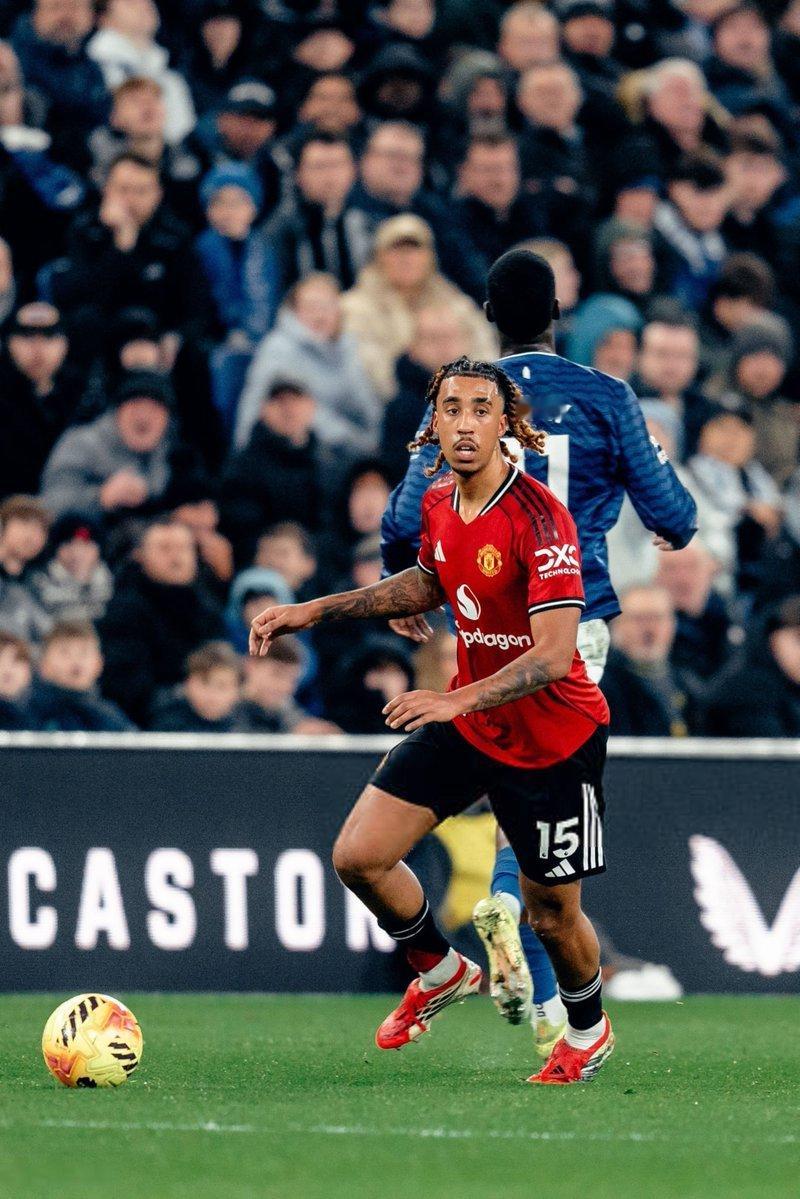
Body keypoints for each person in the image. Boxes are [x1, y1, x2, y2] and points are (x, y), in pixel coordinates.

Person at [250, 356, 615, 1085]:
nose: (466, 423)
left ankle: (588, 1028)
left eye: (482, 409)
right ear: (434, 423)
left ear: (506, 423)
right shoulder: (441, 501)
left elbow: (552, 655)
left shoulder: (542, 519)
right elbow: (428, 580)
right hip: (474, 724)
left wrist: (452, 700)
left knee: (551, 914)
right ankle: (441, 969)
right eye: (452, 408)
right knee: (359, 855)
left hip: (554, 739)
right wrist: (313, 611)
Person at [381, 248, 696, 1055]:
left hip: (484, 614)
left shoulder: (463, 402)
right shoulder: (606, 396)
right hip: (570, 621)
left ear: (488, 313)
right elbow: (674, 512)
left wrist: (405, 583)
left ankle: (541, 987)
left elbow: (405, 515)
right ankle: (523, 934)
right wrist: (662, 517)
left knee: (506, 782)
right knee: (538, 800)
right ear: (559, 314)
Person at [341, 213, 496, 399]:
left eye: (414, 249)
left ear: (430, 256)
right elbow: (368, 369)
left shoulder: (452, 300)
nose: (406, 258)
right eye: (397, 250)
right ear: (379, 256)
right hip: (395, 403)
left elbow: (485, 350)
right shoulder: (356, 308)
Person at [234, 272, 379, 454]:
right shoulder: (277, 350)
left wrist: (377, 445)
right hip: (295, 452)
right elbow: (256, 409)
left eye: (326, 306)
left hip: (350, 450)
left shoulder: (347, 347)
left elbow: (368, 408)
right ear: (294, 312)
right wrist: (361, 444)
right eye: (311, 307)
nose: (319, 315)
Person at [99, 518, 225, 723]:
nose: (176, 557)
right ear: (140, 555)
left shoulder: (208, 608)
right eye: (164, 548)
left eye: (183, 548)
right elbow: (126, 685)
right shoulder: (123, 611)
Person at [0, 302, 84, 498]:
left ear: (65, 344)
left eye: (49, 336)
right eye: (27, 336)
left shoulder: (83, 393)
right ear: (9, 342)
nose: (38, 348)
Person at [87, 0, 196, 144]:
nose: (144, 5)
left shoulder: (171, 76)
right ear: (104, 19)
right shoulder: (91, 70)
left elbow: (183, 136)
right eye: (131, 2)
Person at [600, 585, 701, 736]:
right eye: (638, 619)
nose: (649, 629)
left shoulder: (687, 681)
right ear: (616, 625)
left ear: (672, 625)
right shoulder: (601, 687)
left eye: (657, 618)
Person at [704, 595, 800, 736]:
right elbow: (771, 746)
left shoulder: (787, 690)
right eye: (798, 638)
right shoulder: (749, 691)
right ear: (773, 637)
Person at [18, 618, 134, 731]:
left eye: (84, 652)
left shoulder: (111, 718)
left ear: (98, 664)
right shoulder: (26, 716)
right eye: (65, 652)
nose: (75, 660)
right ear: (44, 665)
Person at [30, 511, 114, 627]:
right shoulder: (35, 586)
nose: (77, 553)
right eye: (68, 544)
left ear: (99, 550)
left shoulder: (117, 588)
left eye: (86, 545)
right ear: (56, 550)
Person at [149, 639, 243, 732]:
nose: (212, 694)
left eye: (222, 686)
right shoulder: (165, 720)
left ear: (237, 691)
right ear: (188, 683)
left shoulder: (247, 727)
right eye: (204, 682)